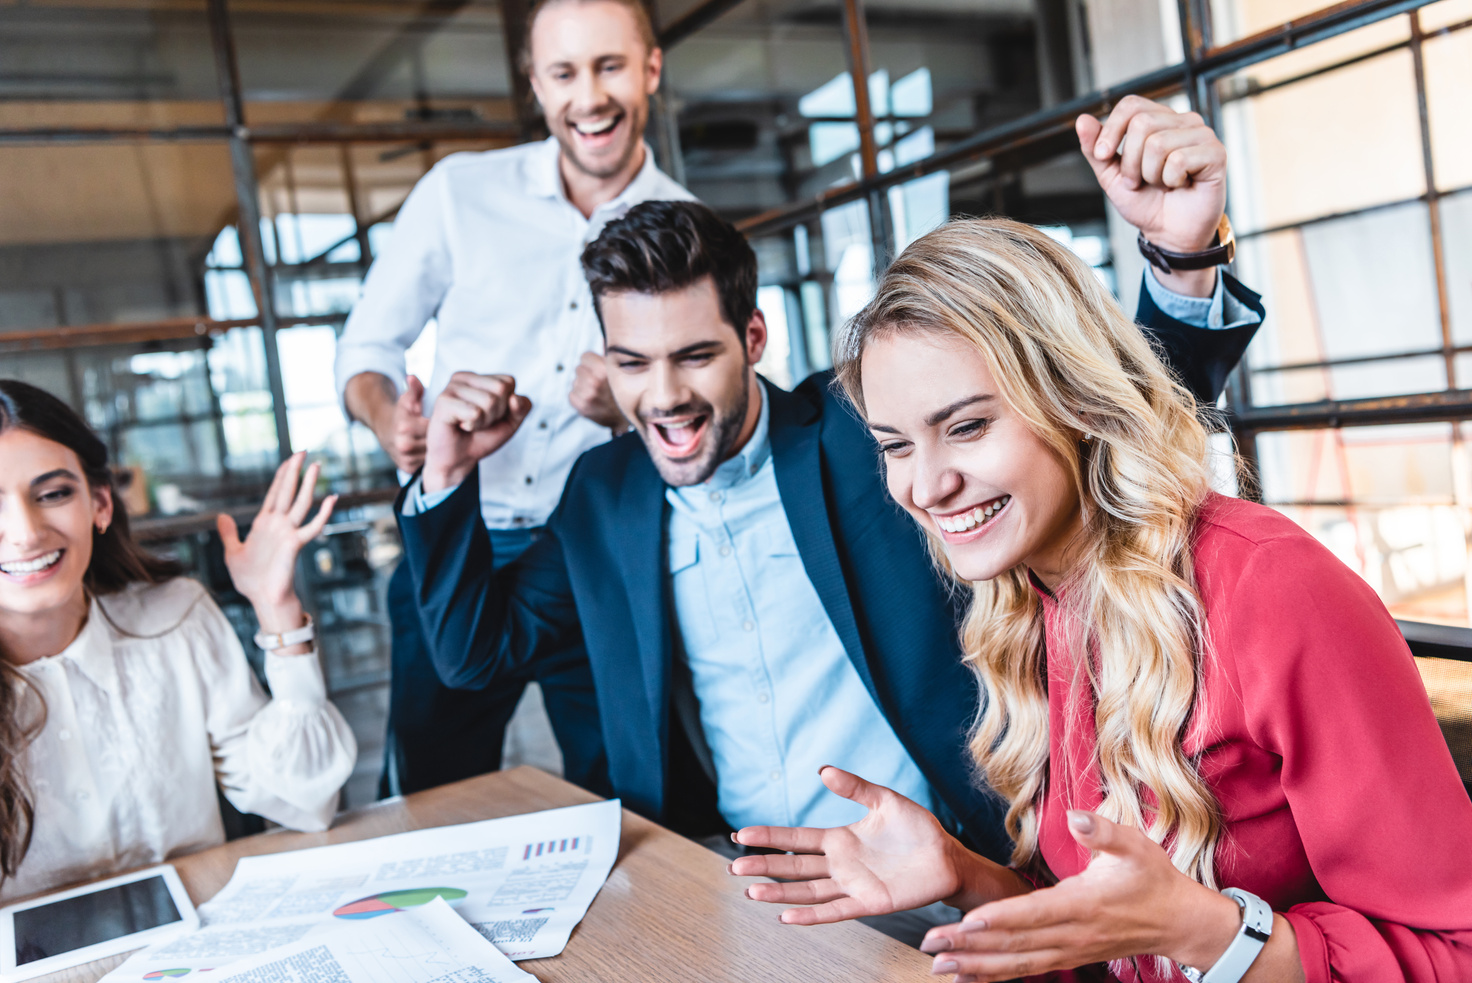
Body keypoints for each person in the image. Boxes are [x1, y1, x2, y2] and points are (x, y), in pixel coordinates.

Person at [397, 101, 1268, 943]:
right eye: (633, 361)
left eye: (694, 355)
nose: (662, 396)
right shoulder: (602, 491)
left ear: (754, 337)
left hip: (951, 879)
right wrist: (446, 475)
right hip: (727, 900)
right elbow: (477, 654)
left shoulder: (865, 433)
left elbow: (1118, 436)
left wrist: (1181, 256)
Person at [724, 199, 1472, 978]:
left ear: (1074, 399)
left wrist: (1208, 929)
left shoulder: (1274, 589)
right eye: (895, 445)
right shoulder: (1025, 600)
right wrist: (963, 875)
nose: (927, 483)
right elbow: (1112, 934)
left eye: (970, 426)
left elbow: (1457, 950)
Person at [332, 0, 694, 796]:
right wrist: (391, 415)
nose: (589, 97)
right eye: (565, 72)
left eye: (609, 66)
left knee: (626, 796)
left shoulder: (690, 230)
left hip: (597, 552)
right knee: (431, 797)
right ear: (536, 84)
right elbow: (365, 350)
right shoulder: (458, 193)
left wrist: (629, 417)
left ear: (650, 70)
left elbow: (703, 410)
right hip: (457, 540)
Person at [0, 380, 356, 901]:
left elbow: (306, 801)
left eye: (53, 494)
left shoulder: (175, 618)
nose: (26, 532)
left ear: (99, 504)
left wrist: (275, 608)